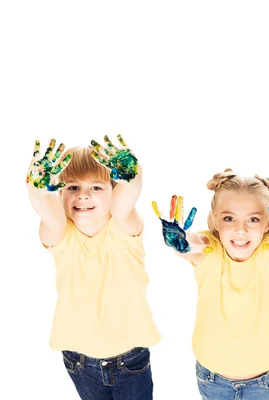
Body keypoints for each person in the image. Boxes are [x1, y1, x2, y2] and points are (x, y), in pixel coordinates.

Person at [152, 168, 269, 400]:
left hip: (264, 382)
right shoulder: (209, 250)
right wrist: (182, 242)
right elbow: (193, 244)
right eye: (229, 218)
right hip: (212, 379)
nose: (241, 229)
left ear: (267, 224)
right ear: (215, 221)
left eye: (253, 219)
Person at [26, 135, 160, 400]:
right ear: (60, 193)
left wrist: (133, 178)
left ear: (114, 191)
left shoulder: (123, 229)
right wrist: (36, 189)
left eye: (96, 188)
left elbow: (125, 203)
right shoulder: (61, 235)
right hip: (79, 360)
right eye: (72, 187)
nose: (83, 195)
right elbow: (48, 214)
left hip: (129, 359)